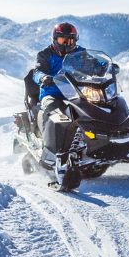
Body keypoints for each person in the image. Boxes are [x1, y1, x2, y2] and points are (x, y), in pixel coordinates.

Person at [27, 22, 85, 158]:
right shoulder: (46, 54)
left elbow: (94, 63)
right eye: (62, 40)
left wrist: (106, 67)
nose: (65, 44)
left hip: (76, 92)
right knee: (50, 110)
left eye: (69, 41)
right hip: (53, 92)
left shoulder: (80, 52)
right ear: (55, 40)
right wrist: (43, 77)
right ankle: (47, 146)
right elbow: (37, 72)